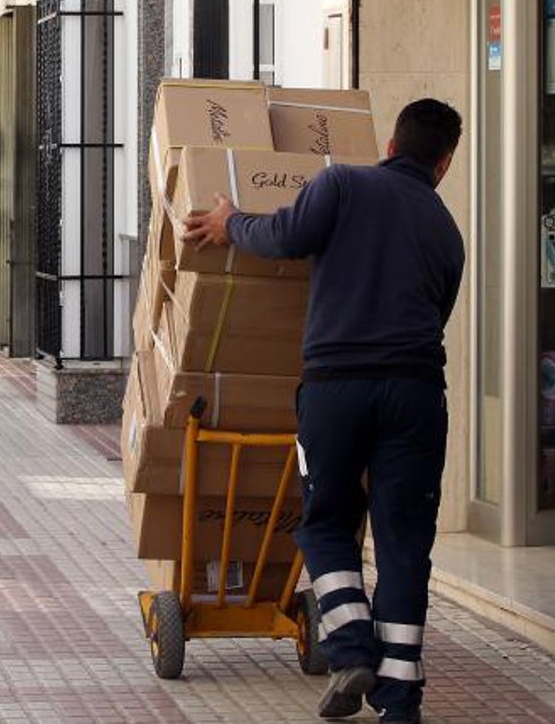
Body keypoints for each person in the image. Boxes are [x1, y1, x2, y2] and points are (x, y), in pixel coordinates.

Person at [182, 99, 465, 724]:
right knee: (404, 541)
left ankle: (351, 648)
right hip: (417, 394)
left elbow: (285, 236)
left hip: (336, 388)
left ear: (389, 144)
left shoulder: (343, 183)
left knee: (327, 519)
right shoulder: (446, 228)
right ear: (443, 163)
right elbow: (438, 312)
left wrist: (231, 222)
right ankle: (400, 700)